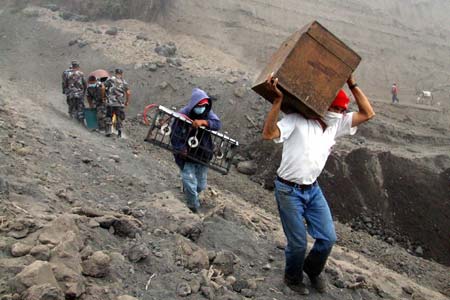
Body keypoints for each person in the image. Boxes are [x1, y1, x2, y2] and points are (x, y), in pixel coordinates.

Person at [262, 73, 375, 294]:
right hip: (287, 190)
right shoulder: (298, 121)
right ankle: (292, 278)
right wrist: (278, 101)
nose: (341, 114)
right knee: (298, 244)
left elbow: (368, 113)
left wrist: (351, 82)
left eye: (343, 110)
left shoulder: (337, 125)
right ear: (325, 107)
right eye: (337, 109)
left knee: (328, 238)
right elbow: (268, 134)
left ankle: (312, 270)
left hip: (312, 189)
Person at [170, 88, 222, 213]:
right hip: (187, 155)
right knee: (190, 182)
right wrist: (180, 148)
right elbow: (174, 135)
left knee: (200, 186)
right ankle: (193, 206)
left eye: (204, 106)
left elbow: (217, 124)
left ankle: (189, 192)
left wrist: (204, 122)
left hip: (203, 155)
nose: (202, 108)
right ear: (194, 105)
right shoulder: (183, 114)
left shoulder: (207, 113)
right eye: (199, 106)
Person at [104, 68, 131, 137]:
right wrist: (127, 101)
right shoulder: (124, 82)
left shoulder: (110, 79)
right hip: (120, 103)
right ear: (121, 74)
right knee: (119, 117)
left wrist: (104, 96)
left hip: (110, 102)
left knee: (109, 116)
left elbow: (103, 87)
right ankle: (119, 133)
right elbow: (128, 93)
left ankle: (108, 131)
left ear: (115, 73)